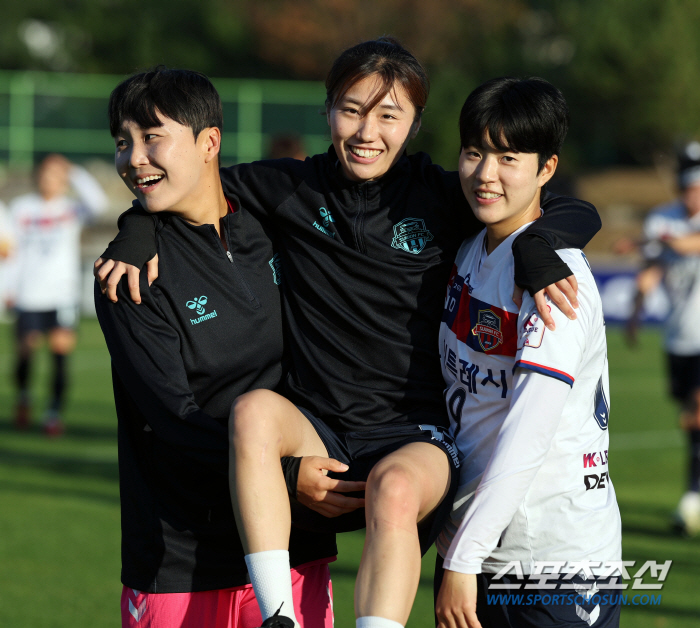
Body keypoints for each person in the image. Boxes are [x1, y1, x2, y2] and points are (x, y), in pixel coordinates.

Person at [95, 38, 601, 628]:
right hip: (320, 435)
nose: (367, 131)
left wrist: (541, 244)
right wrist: (134, 226)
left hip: (412, 437)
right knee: (254, 411)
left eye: (389, 115)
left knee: (394, 492)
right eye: (351, 109)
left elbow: (566, 205)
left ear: (413, 124)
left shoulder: (443, 196)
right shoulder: (289, 188)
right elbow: (183, 179)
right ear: (327, 112)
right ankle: (277, 614)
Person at [95, 68, 341, 628]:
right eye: (122, 142)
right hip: (182, 562)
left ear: (209, 142)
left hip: (291, 551)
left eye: (152, 137)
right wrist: (284, 474)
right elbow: (171, 419)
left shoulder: (275, 224)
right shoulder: (131, 271)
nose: (134, 158)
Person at [434, 77, 621, 628]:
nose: (485, 174)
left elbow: (528, 431)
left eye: (508, 157)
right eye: (474, 153)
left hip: (551, 565)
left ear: (547, 169)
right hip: (477, 550)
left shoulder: (558, 283)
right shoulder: (472, 243)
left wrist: (462, 560)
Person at [626, 141, 700, 536]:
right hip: (678, 338)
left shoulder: (669, 232)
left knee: (698, 411)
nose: (693, 195)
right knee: (690, 423)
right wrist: (637, 311)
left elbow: (691, 244)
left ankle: (690, 500)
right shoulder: (662, 220)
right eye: (689, 188)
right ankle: (694, 493)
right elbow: (651, 271)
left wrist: (649, 242)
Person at [5, 153, 108, 435]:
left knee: (59, 354)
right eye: (45, 174)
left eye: (55, 174)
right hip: (28, 295)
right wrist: (8, 288)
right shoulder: (22, 208)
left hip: (62, 295)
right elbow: (10, 252)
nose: (49, 179)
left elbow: (99, 204)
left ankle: (52, 414)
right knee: (25, 352)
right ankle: (24, 398)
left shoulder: (71, 208)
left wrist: (74, 172)